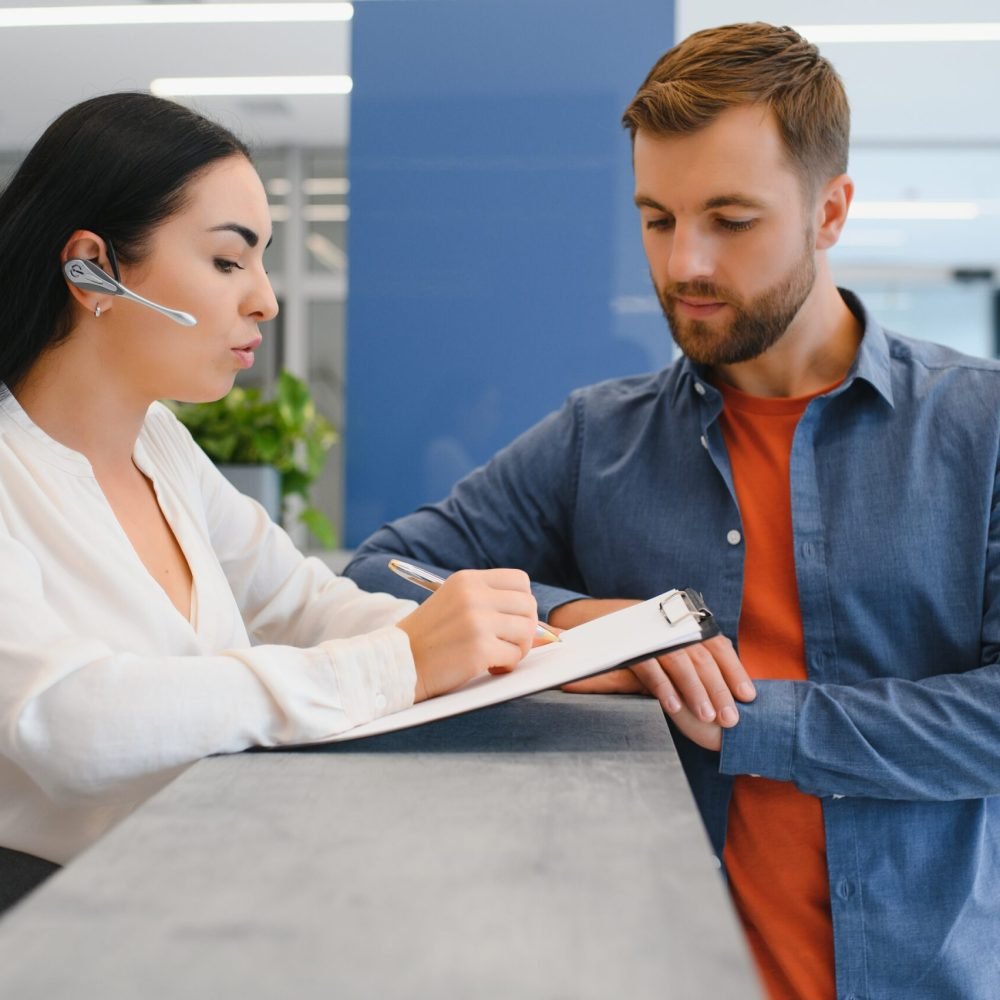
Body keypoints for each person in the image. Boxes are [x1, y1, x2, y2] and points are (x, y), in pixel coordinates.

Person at [344, 22, 1000, 1000]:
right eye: (657, 218)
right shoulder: (595, 438)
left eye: (730, 220)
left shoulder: (976, 426)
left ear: (831, 212)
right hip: (650, 965)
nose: (685, 262)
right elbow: (382, 571)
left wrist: (747, 718)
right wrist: (581, 620)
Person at [0, 92, 545, 907]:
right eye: (228, 261)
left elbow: (301, 602)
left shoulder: (160, 446)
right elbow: (67, 722)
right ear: (93, 268)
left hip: (204, 888)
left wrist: (511, 646)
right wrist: (399, 662)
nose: (266, 299)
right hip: (55, 927)